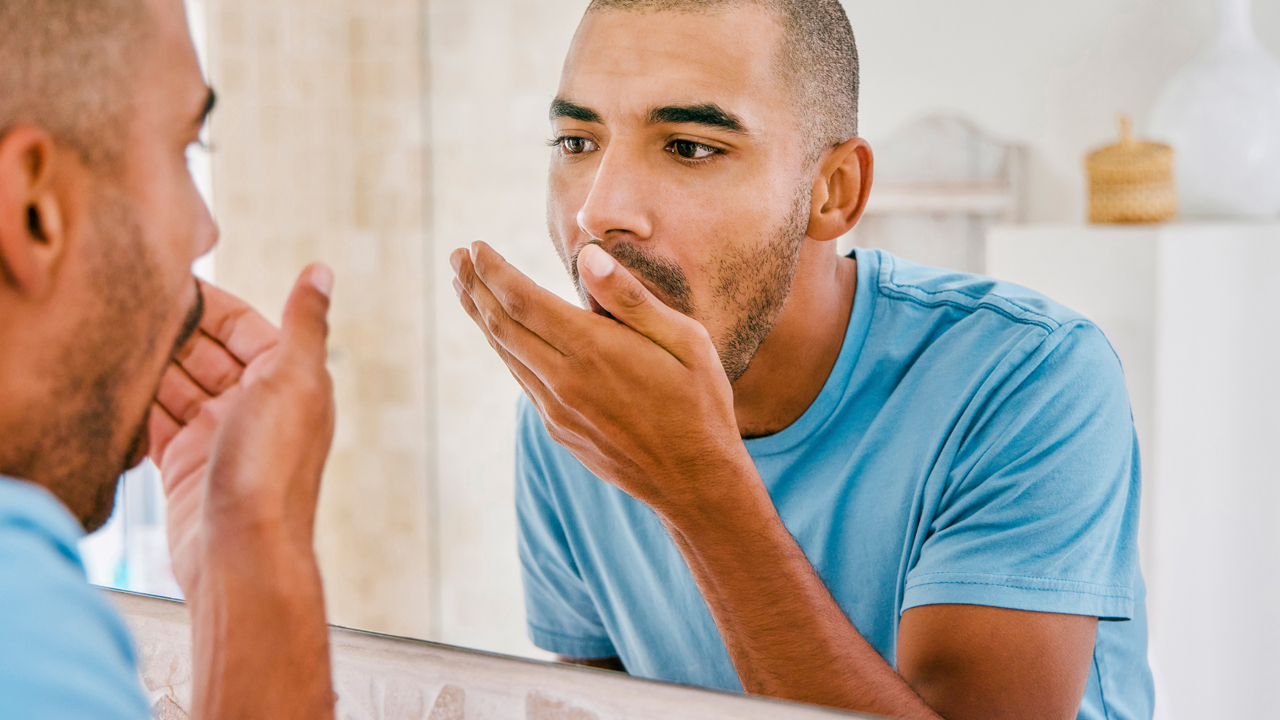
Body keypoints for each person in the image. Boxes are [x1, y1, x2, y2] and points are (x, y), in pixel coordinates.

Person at [451, 1, 1154, 719]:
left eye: (690, 146)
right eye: (576, 142)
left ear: (833, 191)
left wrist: (696, 488)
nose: (599, 212)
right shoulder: (571, 421)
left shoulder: (1029, 379)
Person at [0, 0, 337, 717]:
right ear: (34, 208)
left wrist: (244, 555)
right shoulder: (21, 625)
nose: (204, 231)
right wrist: (267, 553)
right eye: (186, 148)